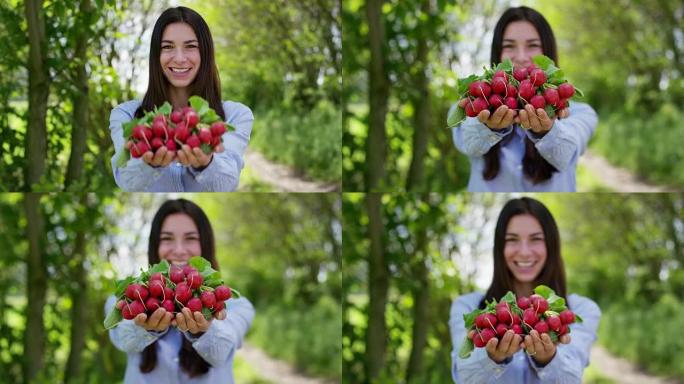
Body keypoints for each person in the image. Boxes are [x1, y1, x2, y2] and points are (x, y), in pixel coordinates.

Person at [449, 197, 601, 383]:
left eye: (535, 239)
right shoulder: (467, 306)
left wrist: (547, 359)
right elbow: (464, 377)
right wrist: (493, 358)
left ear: (551, 245)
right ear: (500, 248)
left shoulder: (582, 310)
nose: (524, 252)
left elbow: (572, 378)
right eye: (512, 240)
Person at [105, 199, 255, 383]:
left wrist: (203, 331)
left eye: (190, 238)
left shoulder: (236, 305)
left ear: (205, 244)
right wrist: (145, 329)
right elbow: (124, 339)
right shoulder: (125, 298)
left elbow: (221, 350)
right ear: (155, 246)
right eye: (167, 239)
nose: (179, 250)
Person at [452, 6, 597, 192]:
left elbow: (566, 153)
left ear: (548, 52)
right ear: (498, 54)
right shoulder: (471, 104)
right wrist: (487, 127)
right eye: (509, 46)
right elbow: (468, 142)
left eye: (533, 45)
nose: (520, 57)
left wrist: (546, 131)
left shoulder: (581, 113)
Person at [109, 7, 254, 191]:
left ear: (205, 53)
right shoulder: (126, 115)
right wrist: (148, 164)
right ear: (156, 55)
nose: (179, 58)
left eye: (190, 46)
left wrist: (206, 164)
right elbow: (126, 181)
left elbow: (228, 184)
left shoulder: (235, 116)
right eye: (168, 47)